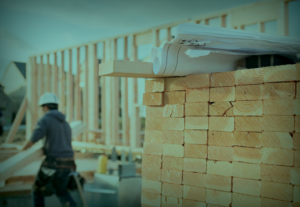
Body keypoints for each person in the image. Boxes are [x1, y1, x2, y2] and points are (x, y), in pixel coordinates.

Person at [23, 92, 77, 207]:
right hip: (69, 163)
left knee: (37, 190)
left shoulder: (45, 119)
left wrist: (23, 150)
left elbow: (34, 138)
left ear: (46, 107)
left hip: (53, 163)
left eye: (43, 108)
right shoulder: (66, 123)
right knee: (60, 190)